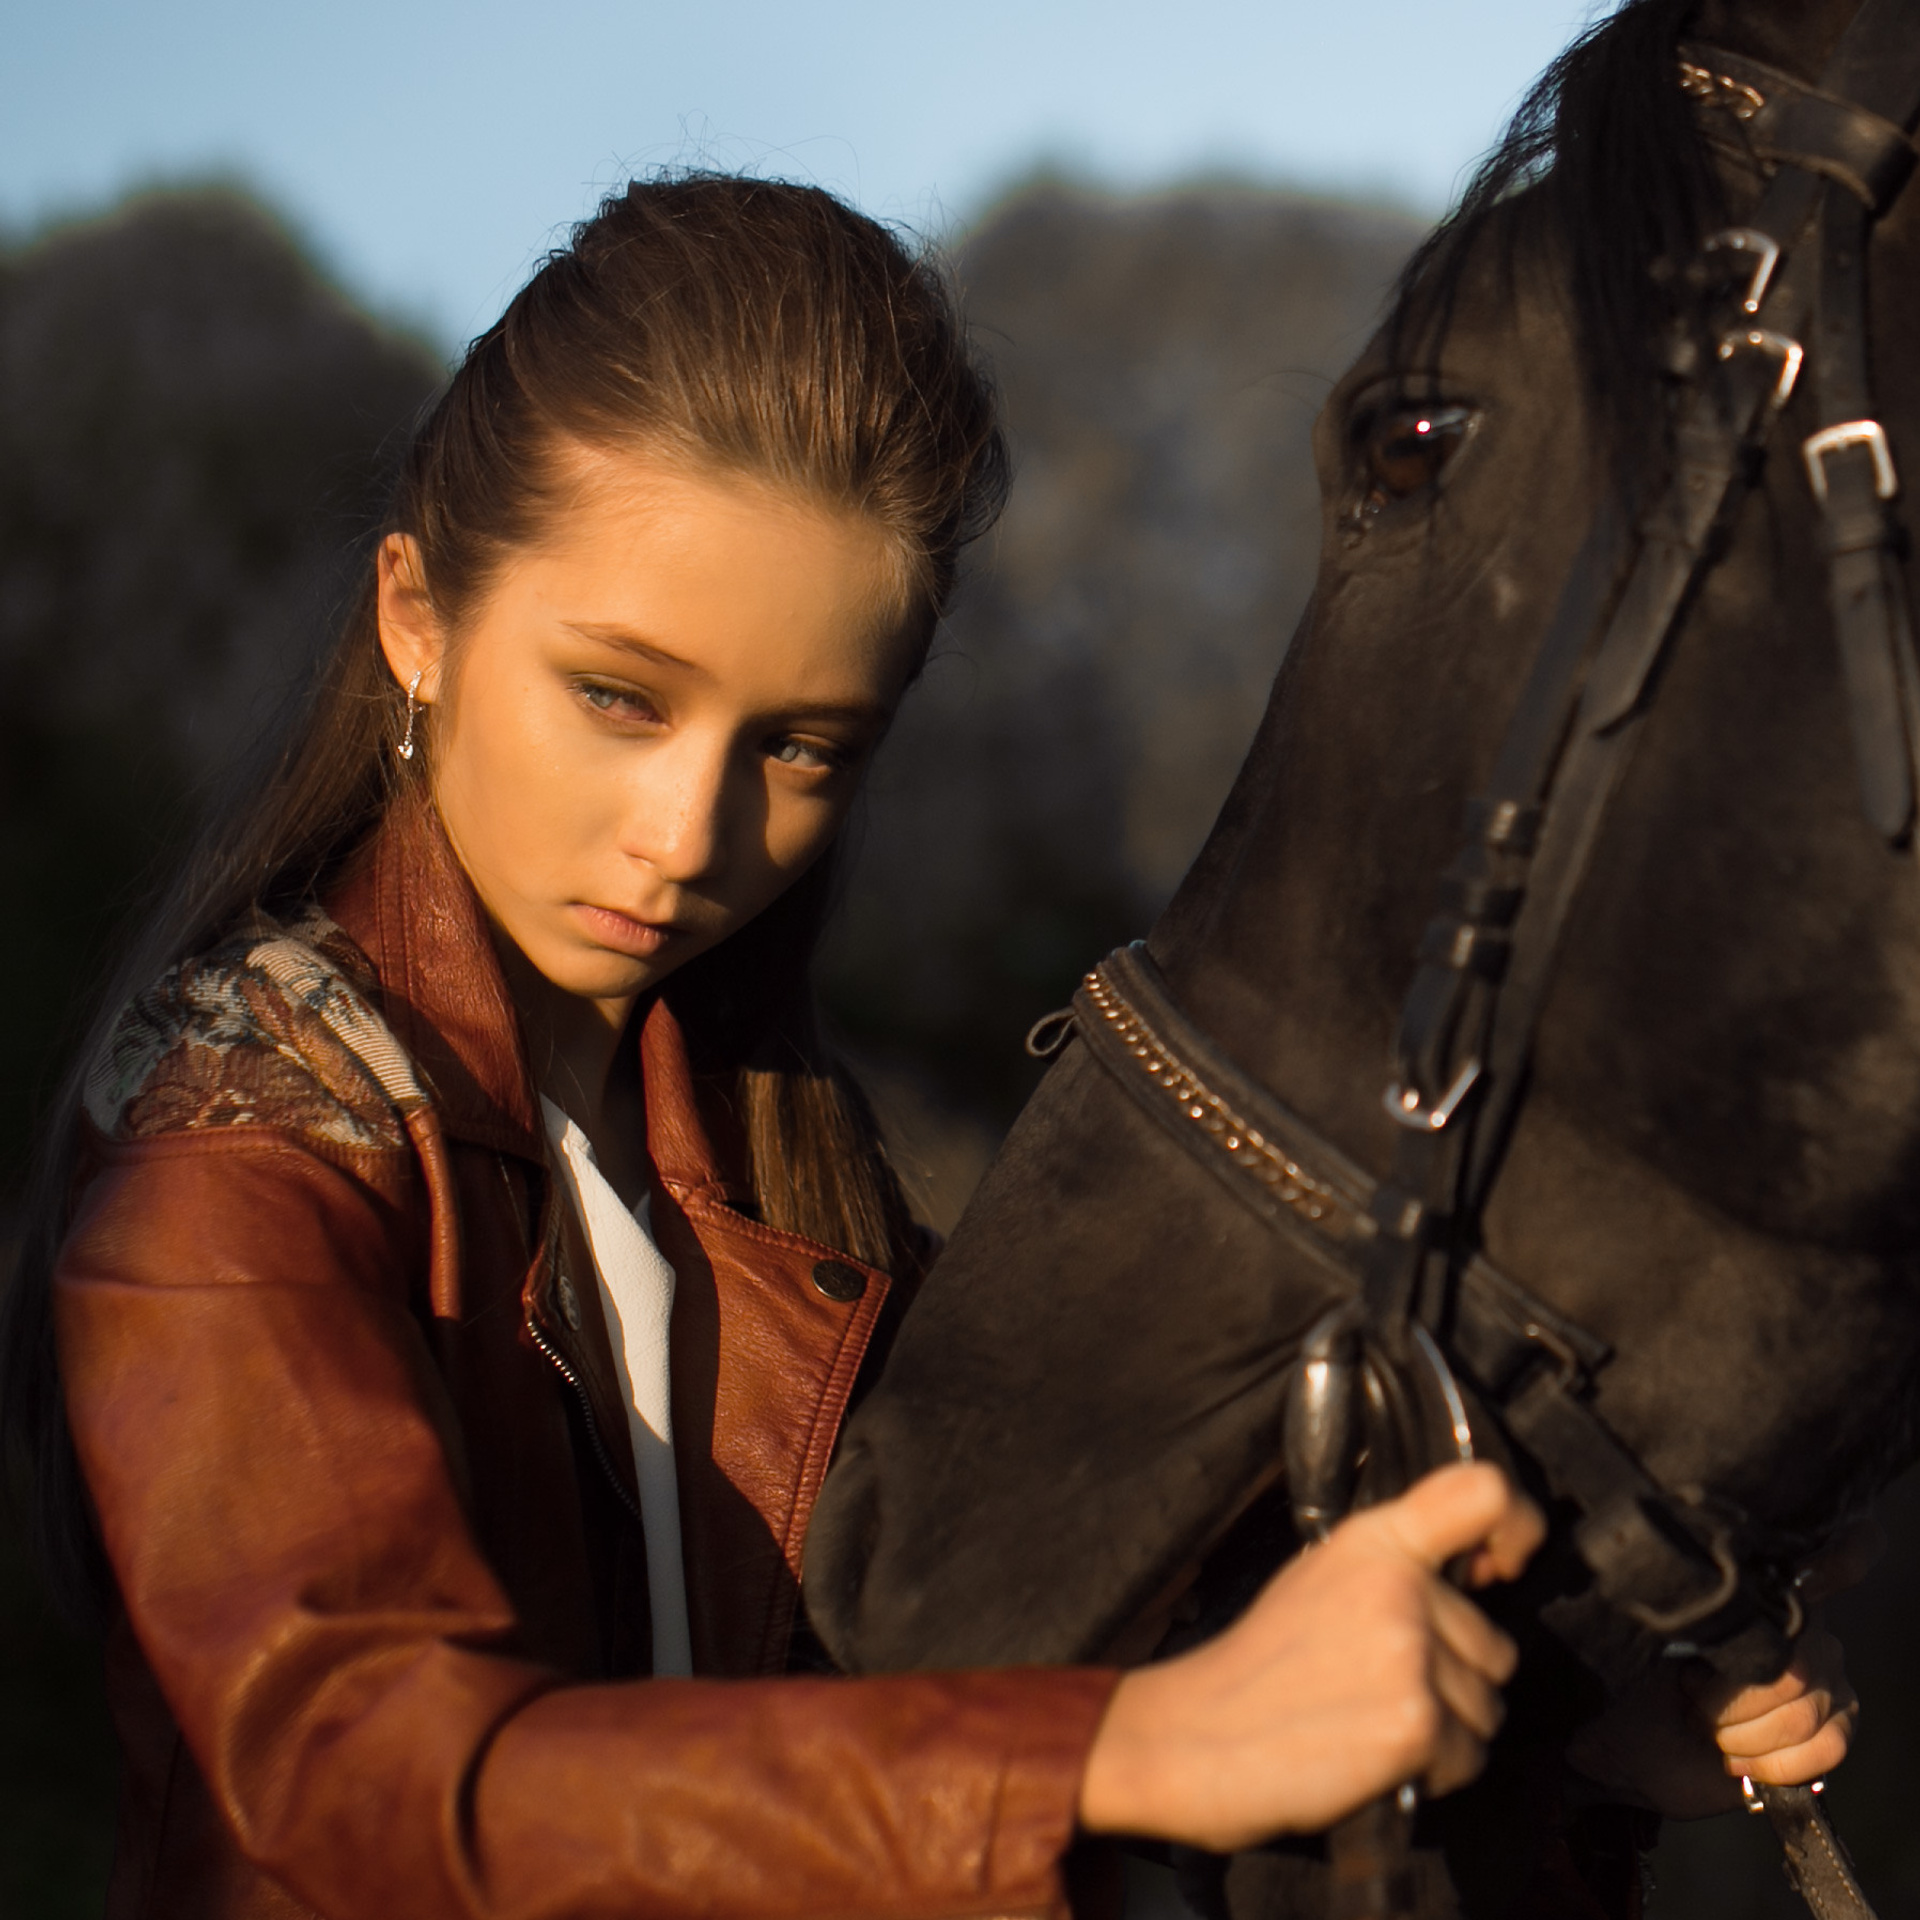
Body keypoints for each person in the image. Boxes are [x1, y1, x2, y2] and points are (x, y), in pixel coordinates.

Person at [0, 174, 1854, 1920]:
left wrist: (1551, 1738)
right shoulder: (234, 1151)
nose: (687, 834)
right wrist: (1129, 1750)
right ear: (420, 619)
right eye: (618, 698)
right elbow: (365, 1783)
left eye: (802, 748)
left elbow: (934, 1688)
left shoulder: (751, 1142)